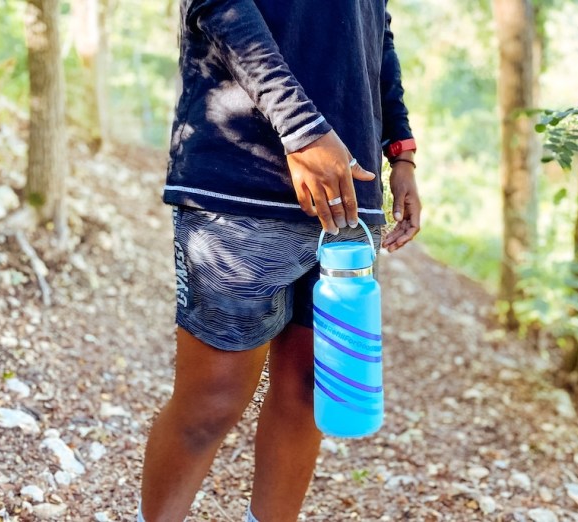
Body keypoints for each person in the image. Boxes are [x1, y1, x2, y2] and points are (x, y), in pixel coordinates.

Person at [139, 0, 421, 520]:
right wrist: (302, 129)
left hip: (349, 200)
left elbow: (376, 31)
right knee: (211, 404)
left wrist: (399, 150)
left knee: (313, 395)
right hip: (240, 181)